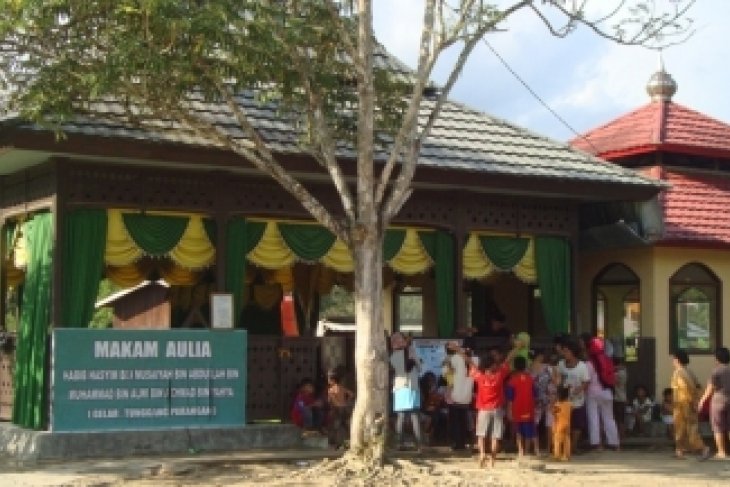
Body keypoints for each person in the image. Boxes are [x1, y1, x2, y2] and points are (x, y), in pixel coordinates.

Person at [471, 344, 519, 468]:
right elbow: (508, 359)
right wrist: (517, 348)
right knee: (495, 436)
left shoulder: (480, 377)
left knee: (481, 435)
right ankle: (492, 460)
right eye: (494, 364)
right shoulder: (499, 376)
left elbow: (470, 363)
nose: (496, 365)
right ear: (491, 365)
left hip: (483, 410)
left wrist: (460, 351)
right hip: (497, 409)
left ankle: (482, 454)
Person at [670, 350, 710, 459]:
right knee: (681, 428)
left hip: (684, 403)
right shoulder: (688, 371)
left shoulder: (679, 372)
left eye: (673, 359)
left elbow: (686, 389)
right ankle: (679, 450)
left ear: (677, 360)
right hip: (686, 403)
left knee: (689, 428)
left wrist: (692, 401)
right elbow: (697, 386)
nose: (672, 361)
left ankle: (703, 448)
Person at [583, 337, 619, 451]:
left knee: (594, 418)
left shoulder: (588, 364)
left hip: (592, 394)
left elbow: (586, 380)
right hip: (607, 392)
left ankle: (597, 444)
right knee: (609, 418)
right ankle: (615, 443)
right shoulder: (608, 360)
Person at [389, 332, 422, 450]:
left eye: (399, 340)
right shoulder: (398, 354)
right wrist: (411, 355)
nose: (397, 342)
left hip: (402, 387)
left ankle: (401, 443)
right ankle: (417, 444)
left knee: (403, 416)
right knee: (412, 416)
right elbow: (418, 367)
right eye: (395, 340)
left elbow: (417, 367)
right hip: (408, 387)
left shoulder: (393, 356)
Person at [557, 339, 590, 454]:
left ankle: (573, 446)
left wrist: (579, 389)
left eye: (566, 351)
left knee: (577, 425)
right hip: (564, 400)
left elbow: (586, 381)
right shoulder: (561, 364)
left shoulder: (582, 366)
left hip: (578, 400)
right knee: (564, 425)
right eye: (564, 351)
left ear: (573, 352)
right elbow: (558, 378)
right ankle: (563, 446)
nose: (564, 354)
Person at [698, 346, 730, 459]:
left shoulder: (716, 371)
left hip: (719, 400)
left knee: (718, 426)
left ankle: (722, 452)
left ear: (717, 358)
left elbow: (710, 388)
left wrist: (702, 400)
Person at [507, 355, 539, 457]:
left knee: (518, 431)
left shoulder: (512, 381)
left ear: (515, 367)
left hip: (517, 409)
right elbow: (535, 395)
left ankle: (521, 451)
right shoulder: (530, 379)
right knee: (529, 430)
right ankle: (528, 449)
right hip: (529, 408)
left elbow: (510, 399)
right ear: (525, 366)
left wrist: (509, 411)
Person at [444, 341, 473, 451]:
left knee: (455, 421)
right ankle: (463, 443)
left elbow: (446, 373)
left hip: (455, 395)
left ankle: (457, 443)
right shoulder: (473, 360)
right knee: (463, 421)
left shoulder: (453, 359)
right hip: (466, 396)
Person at [530, 348, 556, 454]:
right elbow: (555, 382)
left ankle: (535, 447)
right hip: (549, 397)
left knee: (534, 423)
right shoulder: (548, 368)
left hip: (535, 398)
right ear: (540, 356)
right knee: (549, 423)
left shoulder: (529, 368)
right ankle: (549, 446)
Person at [326, 368, 354, 449]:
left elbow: (334, 402)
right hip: (344, 409)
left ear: (333, 380)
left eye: (329, 379)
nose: (328, 380)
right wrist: (346, 402)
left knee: (335, 427)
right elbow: (352, 394)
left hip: (337, 410)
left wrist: (334, 404)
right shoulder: (342, 388)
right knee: (345, 426)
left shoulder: (331, 390)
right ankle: (347, 441)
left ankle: (335, 444)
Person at [552, 386, 572, 461]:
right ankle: (566, 455)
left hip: (559, 424)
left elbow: (554, 414)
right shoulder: (569, 404)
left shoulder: (557, 404)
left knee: (557, 440)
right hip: (567, 423)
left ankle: (557, 455)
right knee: (567, 440)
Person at [612, 356, 628, 440]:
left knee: (619, 418)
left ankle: (620, 435)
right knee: (621, 418)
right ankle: (622, 434)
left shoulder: (617, 374)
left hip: (618, 398)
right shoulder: (624, 372)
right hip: (622, 397)